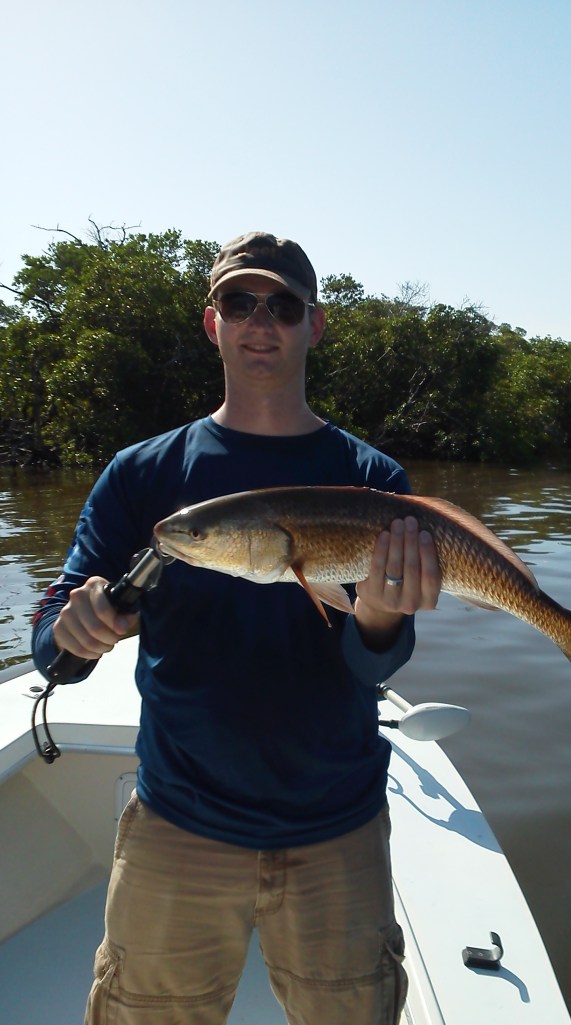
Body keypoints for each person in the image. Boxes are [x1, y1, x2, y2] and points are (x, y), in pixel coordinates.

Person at [32, 231, 442, 1025]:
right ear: (211, 322)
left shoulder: (370, 479)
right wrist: (74, 630)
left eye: (283, 305)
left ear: (313, 326)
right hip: (178, 824)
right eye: (239, 302)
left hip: (337, 828)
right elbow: (51, 635)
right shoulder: (144, 473)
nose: (262, 321)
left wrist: (383, 615)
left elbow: (372, 667)